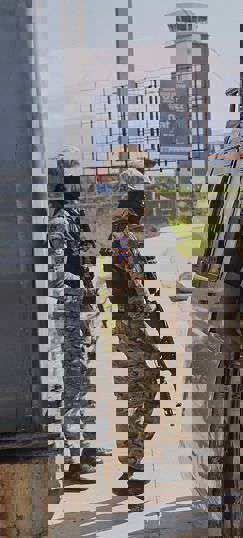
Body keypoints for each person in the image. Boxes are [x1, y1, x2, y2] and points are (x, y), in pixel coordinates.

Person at [105, 160, 173, 502]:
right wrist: (156, 319)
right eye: (142, 198)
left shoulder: (122, 232)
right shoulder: (124, 235)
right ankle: (134, 468)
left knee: (146, 389)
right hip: (136, 325)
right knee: (142, 391)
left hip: (133, 324)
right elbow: (138, 283)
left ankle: (135, 465)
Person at [48, 147, 101, 485]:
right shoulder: (61, 221)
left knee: (78, 381)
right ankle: (76, 458)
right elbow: (61, 275)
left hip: (73, 312)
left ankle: (82, 450)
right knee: (74, 383)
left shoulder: (68, 217)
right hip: (68, 314)